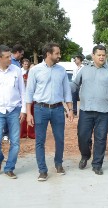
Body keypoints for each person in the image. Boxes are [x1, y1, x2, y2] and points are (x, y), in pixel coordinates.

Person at [73, 45, 108, 175]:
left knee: (101, 138)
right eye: (99, 55)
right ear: (93, 56)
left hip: (104, 112)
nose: (102, 57)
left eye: (103, 55)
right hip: (86, 110)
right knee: (82, 136)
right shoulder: (84, 70)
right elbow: (75, 84)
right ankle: (85, 155)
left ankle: (97, 164)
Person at [25, 42, 73, 182]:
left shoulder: (62, 71)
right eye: (57, 53)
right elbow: (29, 93)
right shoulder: (35, 70)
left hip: (58, 109)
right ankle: (42, 170)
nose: (59, 55)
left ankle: (58, 164)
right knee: (40, 141)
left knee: (60, 139)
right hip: (40, 109)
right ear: (48, 54)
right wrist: (28, 113)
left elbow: (67, 92)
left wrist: (70, 109)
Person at [0, 45, 26, 179]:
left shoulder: (16, 70)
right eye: (7, 57)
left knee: (15, 142)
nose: (10, 59)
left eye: (10, 56)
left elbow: (22, 92)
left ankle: (9, 168)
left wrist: (23, 110)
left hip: (14, 110)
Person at [19, 59, 35, 139]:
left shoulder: (35, 76)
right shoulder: (22, 74)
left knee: (32, 115)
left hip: (33, 98)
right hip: (24, 97)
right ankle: (22, 133)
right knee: (24, 114)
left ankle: (32, 133)